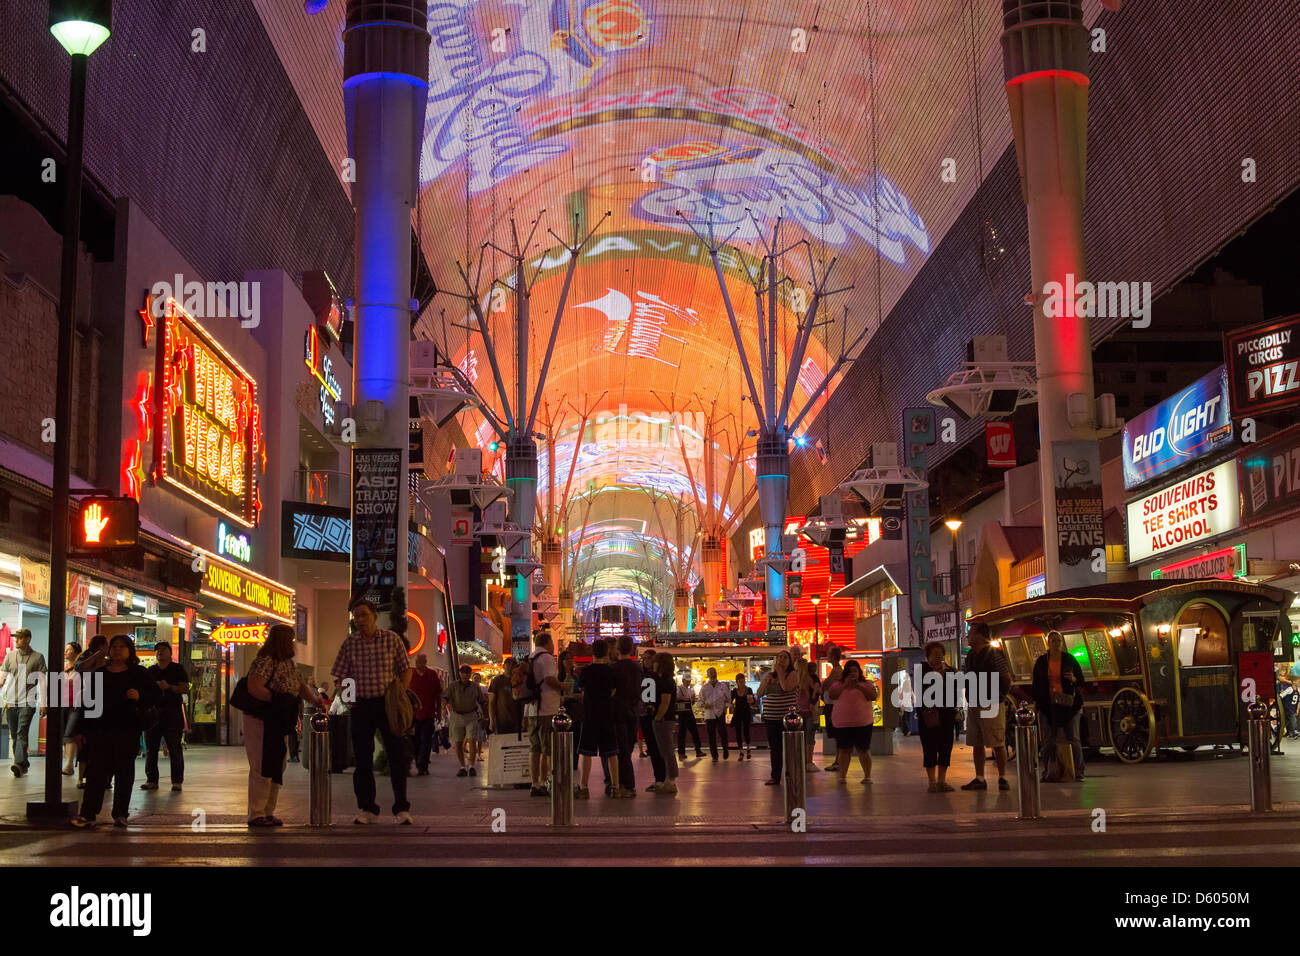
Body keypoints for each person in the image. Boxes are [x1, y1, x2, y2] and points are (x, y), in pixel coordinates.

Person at [331, 599, 414, 824]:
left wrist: (398, 695)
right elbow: (341, 675)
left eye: (363, 615)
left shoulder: (391, 639)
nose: (360, 620)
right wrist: (349, 700)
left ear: (374, 616)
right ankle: (367, 808)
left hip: (387, 704)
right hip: (362, 706)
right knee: (363, 759)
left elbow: (406, 669)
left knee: (397, 756)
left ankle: (401, 809)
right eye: (356, 617)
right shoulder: (350, 644)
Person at [238, 624, 327, 827]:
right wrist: (279, 699)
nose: (292, 642)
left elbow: (299, 685)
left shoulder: (287, 663)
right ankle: (256, 813)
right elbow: (254, 687)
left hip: (278, 719)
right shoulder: (264, 661)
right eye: (289, 638)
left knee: (278, 763)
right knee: (262, 764)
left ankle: (267, 811)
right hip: (262, 718)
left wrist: (314, 700)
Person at [70, 635, 160, 828]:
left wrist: (139, 696)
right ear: (109, 651)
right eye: (114, 647)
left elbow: (156, 695)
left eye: (122, 646)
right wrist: (80, 730)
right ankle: (88, 814)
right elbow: (88, 703)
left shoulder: (138, 673)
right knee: (95, 774)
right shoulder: (99, 674)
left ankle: (120, 814)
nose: (118, 650)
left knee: (124, 774)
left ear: (129, 651)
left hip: (127, 730)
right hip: (100, 731)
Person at [960, 623, 1014, 792]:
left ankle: (1003, 777)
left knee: (997, 740)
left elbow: (1006, 679)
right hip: (975, 702)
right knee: (976, 741)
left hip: (991, 701)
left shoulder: (993, 654)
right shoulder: (970, 656)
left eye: (971, 633)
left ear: (979, 636)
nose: (968, 636)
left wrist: (999, 697)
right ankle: (979, 777)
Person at [1032, 630, 1086, 782]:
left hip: (1068, 704)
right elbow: (1036, 683)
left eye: (1058, 641)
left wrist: (1073, 678)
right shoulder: (1042, 661)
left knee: (1073, 737)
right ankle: (1049, 770)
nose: (1056, 643)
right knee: (1048, 739)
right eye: (1053, 641)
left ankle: (1078, 771)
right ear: (1048, 643)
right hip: (1048, 704)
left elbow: (1081, 680)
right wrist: (1036, 703)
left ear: (1062, 643)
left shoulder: (1069, 659)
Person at [140, 641, 189, 792]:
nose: (160, 653)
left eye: (163, 650)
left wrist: (169, 687)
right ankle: (151, 779)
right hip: (154, 712)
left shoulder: (177, 669)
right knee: (151, 748)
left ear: (170, 653)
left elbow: (185, 688)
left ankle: (177, 781)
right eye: (157, 650)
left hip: (172, 712)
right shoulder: (150, 671)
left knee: (174, 748)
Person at [519, 632, 562, 797]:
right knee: (547, 748)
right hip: (546, 708)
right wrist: (562, 686)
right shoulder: (547, 658)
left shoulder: (530, 657)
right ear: (547, 642)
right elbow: (550, 680)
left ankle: (534, 783)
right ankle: (545, 782)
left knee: (534, 747)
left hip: (531, 709)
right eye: (552, 641)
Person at [575, 638, 619, 798]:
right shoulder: (611, 671)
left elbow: (582, 689)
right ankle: (615, 786)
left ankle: (584, 787)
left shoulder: (586, 672)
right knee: (611, 753)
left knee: (586, 753)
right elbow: (613, 691)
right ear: (607, 652)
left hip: (590, 716)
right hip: (607, 716)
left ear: (592, 652)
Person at [0, 628, 46, 777]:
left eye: (19, 638)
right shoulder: (9, 656)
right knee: (14, 734)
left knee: (21, 732)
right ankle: (23, 764)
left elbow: (42, 682)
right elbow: (2, 676)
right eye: (16, 638)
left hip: (28, 701)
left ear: (28, 639)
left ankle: (18, 763)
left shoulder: (38, 657)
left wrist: (44, 703)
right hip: (11, 701)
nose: (16, 640)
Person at [826, 659, 877, 785]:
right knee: (844, 750)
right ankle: (842, 776)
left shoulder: (867, 684)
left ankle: (867, 776)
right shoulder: (838, 684)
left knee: (863, 750)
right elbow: (832, 695)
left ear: (859, 672)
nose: (852, 674)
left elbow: (873, 696)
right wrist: (845, 685)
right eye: (849, 672)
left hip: (863, 723)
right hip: (843, 723)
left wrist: (858, 686)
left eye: (854, 671)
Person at [917, 642, 957, 792]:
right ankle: (931, 782)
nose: (938, 656)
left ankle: (942, 781)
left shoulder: (950, 671)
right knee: (929, 747)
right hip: (928, 716)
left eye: (940, 653)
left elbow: (956, 691)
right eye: (935, 654)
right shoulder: (922, 670)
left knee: (946, 747)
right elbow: (921, 691)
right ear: (928, 656)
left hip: (947, 715)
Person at [72, 635, 109, 788]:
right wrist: (97, 656)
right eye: (106, 645)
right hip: (87, 701)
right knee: (85, 743)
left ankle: (105, 779)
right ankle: (81, 778)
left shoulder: (108, 660)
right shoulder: (85, 657)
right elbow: (80, 668)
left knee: (104, 743)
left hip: (104, 703)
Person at [757, 652, 798, 785]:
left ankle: (791, 775)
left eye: (785, 657)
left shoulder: (793, 674)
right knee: (775, 748)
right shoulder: (769, 676)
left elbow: (786, 687)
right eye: (779, 657)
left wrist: (780, 673)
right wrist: (766, 681)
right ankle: (775, 776)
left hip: (787, 719)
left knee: (790, 748)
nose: (781, 659)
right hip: (771, 718)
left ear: (790, 661)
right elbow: (759, 693)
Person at [610, 635, 642, 797]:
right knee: (628, 748)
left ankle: (626, 784)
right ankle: (623, 782)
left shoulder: (614, 668)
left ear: (617, 649)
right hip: (633, 712)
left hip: (618, 712)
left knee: (621, 750)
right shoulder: (637, 668)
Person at [445, 665, 486, 776]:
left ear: (470, 674)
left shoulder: (475, 687)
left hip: (471, 715)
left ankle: (471, 766)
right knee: (458, 743)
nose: (465, 675)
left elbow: (482, 701)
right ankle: (463, 766)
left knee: (472, 740)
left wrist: (485, 717)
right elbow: (445, 697)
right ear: (459, 673)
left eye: (467, 673)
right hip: (457, 715)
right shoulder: (453, 686)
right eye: (463, 672)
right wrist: (443, 709)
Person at [650, 652, 678, 794]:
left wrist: (658, 717)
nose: (653, 664)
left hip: (665, 719)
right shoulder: (664, 679)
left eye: (655, 661)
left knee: (667, 750)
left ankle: (671, 780)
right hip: (666, 719)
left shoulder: (666, 680)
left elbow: (665, 702)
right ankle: (668, 779)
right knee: (665, 750)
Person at [637, 648, 666, 787]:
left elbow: (649, 698)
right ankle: (659, 778)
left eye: (649, 659)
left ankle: (661, 779)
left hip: (652, 717)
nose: (646, 661)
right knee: (653, 749)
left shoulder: (653, 677)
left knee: (656, 748)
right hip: (644, 716)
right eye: (644, 658)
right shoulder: (645, 675)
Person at [408, 654, 442, 775]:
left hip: (428, 714)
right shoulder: (410, 674)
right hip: (413, 716)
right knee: (415, 741)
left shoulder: (432, 675)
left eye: (422, 661)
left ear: (425, 661)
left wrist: (439, 712)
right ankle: (418, 761)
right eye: (417, 661)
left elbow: (438, 695)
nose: (419, 663)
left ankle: (423, 765)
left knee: (426, 741)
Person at [795, 657, 822, 772]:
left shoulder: (793, 678)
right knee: (809, 737)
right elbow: (818, 690)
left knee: (799, 737)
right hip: (808, 710)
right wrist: (814, 694)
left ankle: (800, 761)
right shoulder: (808, 678)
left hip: (797, 710)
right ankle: (808, 762)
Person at [558, 653, 584, 771]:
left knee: (576, 737)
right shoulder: (558, 677)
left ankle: (574, 762)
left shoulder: (576, 676)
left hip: (577, 712)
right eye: (566, 659)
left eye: (571, 658)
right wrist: (572, 696)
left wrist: (580, 695)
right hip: (564, 710)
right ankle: (563, 762)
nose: (569, 661)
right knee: (563, 737)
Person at [699, 668, 730, 761]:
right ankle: (714, 756)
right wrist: (704, 705)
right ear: (707, 675)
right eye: (710, 673)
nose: (713, 674)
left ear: (716, 674)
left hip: (720, 713)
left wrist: (726, 707)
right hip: (709, 714)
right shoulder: (704, 688)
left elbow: (728, 699)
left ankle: (725, 750)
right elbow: (699, 702)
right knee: (711, 736)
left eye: (714, 672)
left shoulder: (723, 686)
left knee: (723, 734)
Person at [821, 645, 843, 771]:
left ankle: (838, 761)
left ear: (833, 656)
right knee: (836, 734)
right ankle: (837, 760)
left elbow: (825, 685)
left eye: (829, 654)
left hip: (834, 705)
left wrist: (825, 684)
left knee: (837, 734)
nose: (827, 656)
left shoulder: (837, 671)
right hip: (831, 704)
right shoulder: (835, 670)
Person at [61, 642, 81, 776]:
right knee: (63, 735)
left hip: (75, 705)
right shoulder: (61, 667)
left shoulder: (80, 668)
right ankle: (68, 762)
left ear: (75, 652)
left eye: (68, 650)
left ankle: (69, 764)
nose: (65, 652)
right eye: (65, 649)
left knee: (70, 734)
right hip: (62, 704)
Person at [488, 658, 522, 737]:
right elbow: (491, 702)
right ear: (504, 666)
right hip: (501, 721)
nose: (510, 666)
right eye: (508, 664)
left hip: (517, 721)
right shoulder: (497, 681)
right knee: (503, 746)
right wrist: (491, 721)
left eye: (513, 664)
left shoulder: (520, 680)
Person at [675, 676, 703, 758]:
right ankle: (681, 753)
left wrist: (693, 700)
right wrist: (685, 698)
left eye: (689, 681)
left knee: (695, 731)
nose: (688, 682)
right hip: (682, 713)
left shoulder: (691, 689)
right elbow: (676, 697)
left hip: (689, 711)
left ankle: (698, 750)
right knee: (682, 733)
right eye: (687, 681)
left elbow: (692, 701)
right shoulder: (679, 688)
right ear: (683, 680)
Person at [730, 673, 756, 757]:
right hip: (737, 713)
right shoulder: (734, 691)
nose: (741, 683)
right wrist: (730, 706)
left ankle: (748, 748)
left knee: (746, 731)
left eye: (743, 681)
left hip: (746, 712)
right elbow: (731, 701)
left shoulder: (749, 690)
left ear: (745, 681)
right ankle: (741, 751)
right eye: (739, 681)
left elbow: (753, 701)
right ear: (737, 682)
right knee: (738, 732)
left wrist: (752, 701)